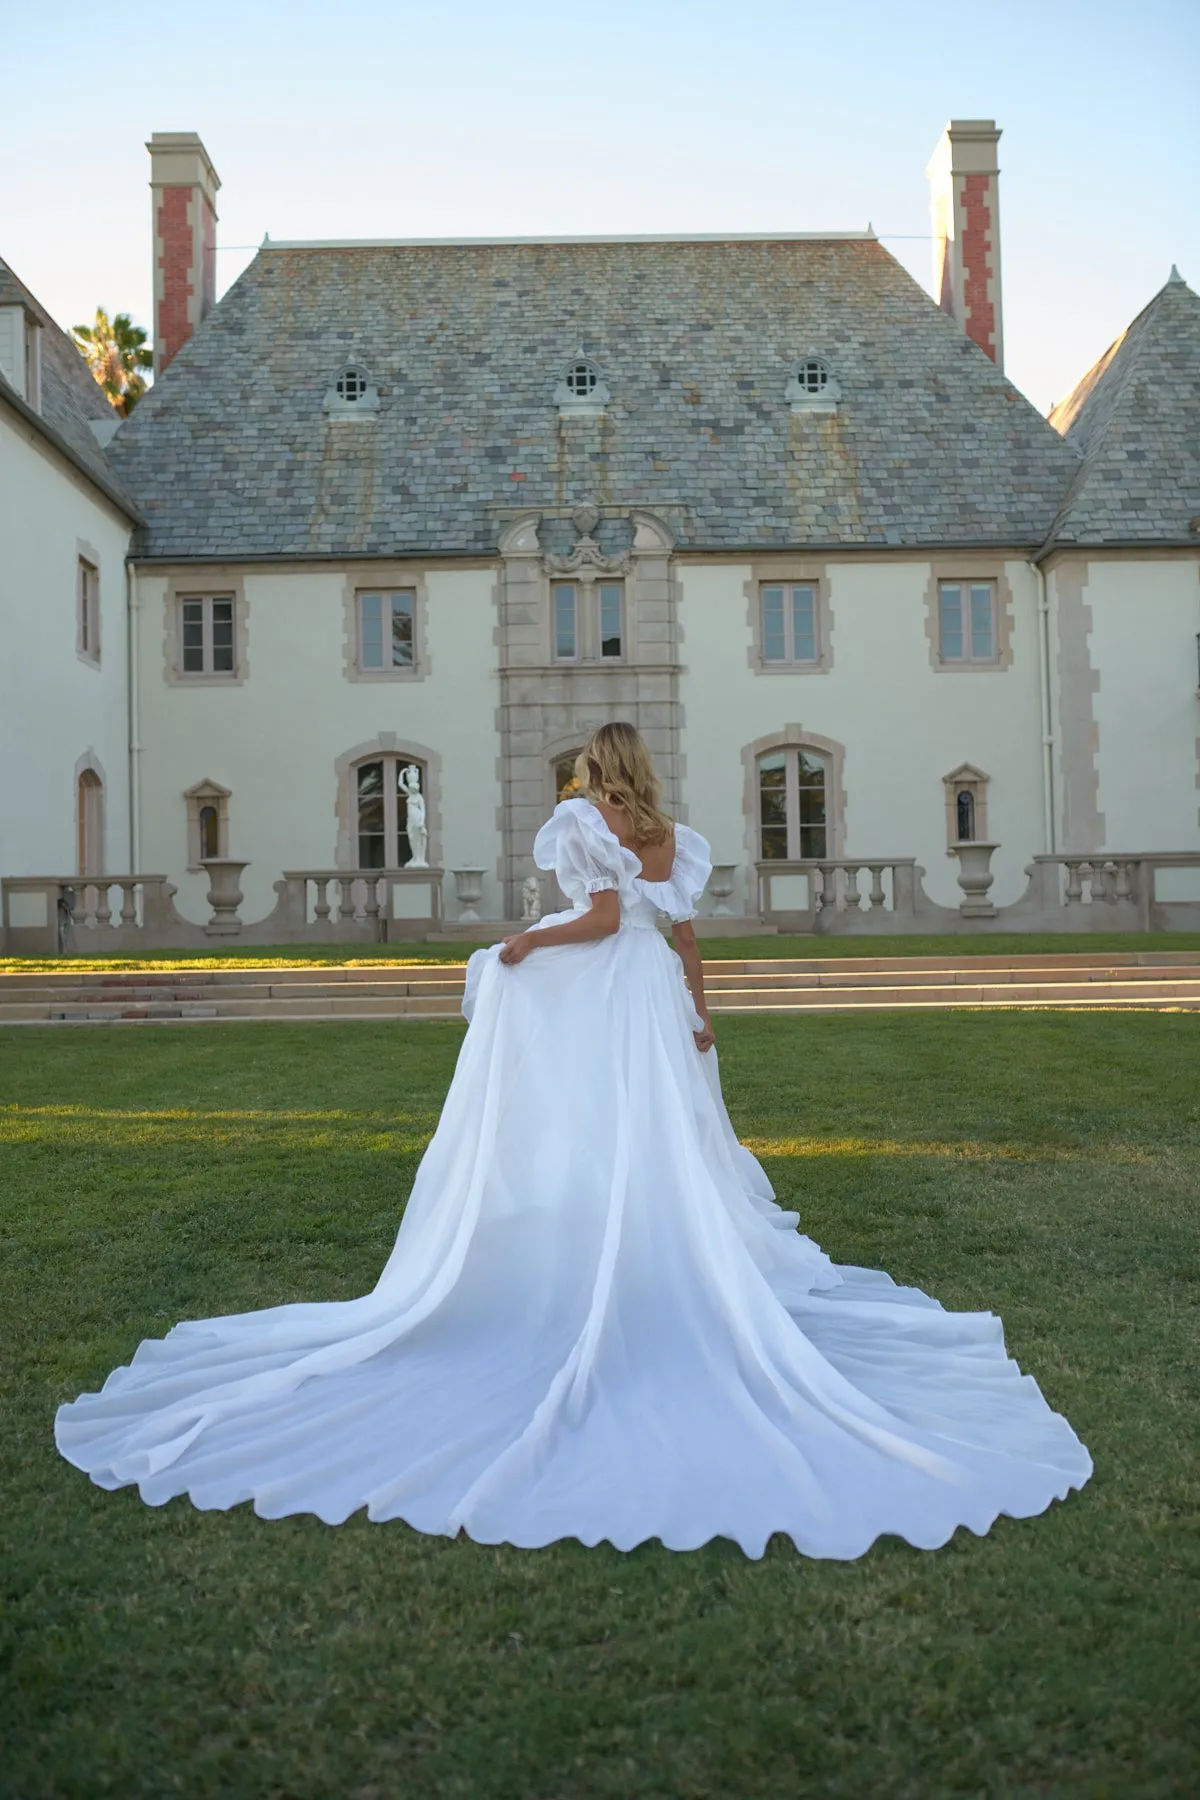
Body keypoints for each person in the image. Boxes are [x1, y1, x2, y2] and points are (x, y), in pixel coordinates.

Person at [55, 723, 1092, 1559]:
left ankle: (597, 1253)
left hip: (608, 985)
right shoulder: (676, 838)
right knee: (657, 1131)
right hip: (650, 995)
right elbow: (679, 935)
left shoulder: (584, 827)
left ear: (599, 774)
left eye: (593, 774)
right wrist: (699, 1012)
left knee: (605, 1118)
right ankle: (637, 1242)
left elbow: (600, 919)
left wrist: (521, 939)